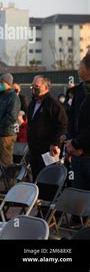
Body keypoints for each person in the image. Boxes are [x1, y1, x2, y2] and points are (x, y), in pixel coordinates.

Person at [26, 76, 67, 180]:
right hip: (34, 149)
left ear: (45, 87)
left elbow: (62, 125)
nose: (33, 89)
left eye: (36, 86)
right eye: (32, 86)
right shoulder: (32, 103)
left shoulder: (54, 105)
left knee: (48, 179)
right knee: (36, 178)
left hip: (47, 151)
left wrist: (55, 143)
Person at [66, 53, 90, 192]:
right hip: (77, 156)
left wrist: (77, 144)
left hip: (85, 153)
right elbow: (72, 119)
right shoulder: (80, 91)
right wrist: (71, 142)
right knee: (77, 199)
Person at [0, 73, 21, 167]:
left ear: (8, 83)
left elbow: (11, 116)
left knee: (6, 163)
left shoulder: (13, 97)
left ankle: (10, 182)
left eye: (1, 83)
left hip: (5, 135)